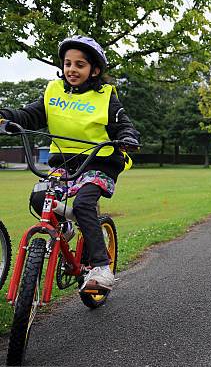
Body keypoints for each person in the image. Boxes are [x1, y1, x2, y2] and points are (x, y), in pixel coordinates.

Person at [0, 36, 140, 291]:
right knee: (39, 198)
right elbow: (28, 115)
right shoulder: (53, 91)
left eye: (80, 65)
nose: (72, 69)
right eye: (67, 64)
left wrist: (127, 137)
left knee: (85, 203)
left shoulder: (106, 97)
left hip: (99, 162)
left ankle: (101, 267)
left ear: (94, 70)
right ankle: (66, 227)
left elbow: (124, 125)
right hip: (66, 164)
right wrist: (5, 117)